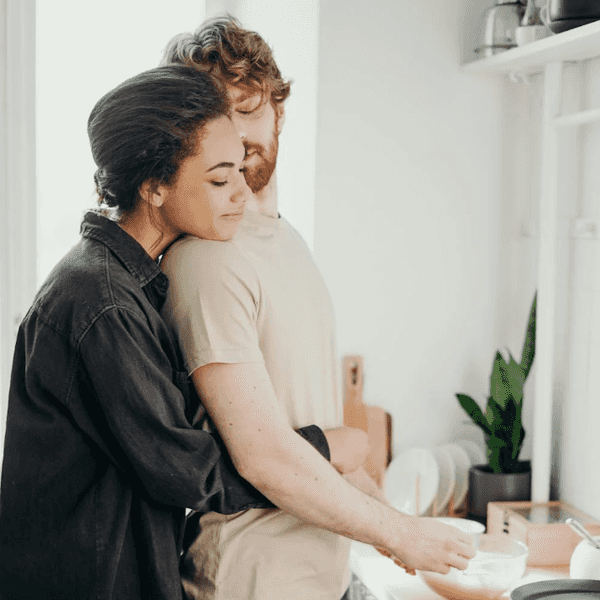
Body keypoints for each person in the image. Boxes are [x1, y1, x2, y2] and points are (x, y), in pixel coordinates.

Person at [160, 16, 475, 600]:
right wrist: (399, 532)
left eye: (248, 108)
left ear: (280, 111)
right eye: (214, 116)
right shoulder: (206, 259)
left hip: (324, 578)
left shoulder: (285, 242)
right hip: (250, 584)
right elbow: (264, 456)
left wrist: (389, 525)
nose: (235, 133)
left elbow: (305, 420)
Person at [0, 64, 341, 600]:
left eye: (239, 170)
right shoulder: (101, 302)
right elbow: (187, 472)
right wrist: (321, 449)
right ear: (156, 186)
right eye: (218, 178)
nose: (239, 193)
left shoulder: (127, 282)